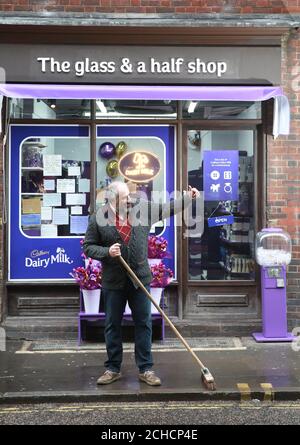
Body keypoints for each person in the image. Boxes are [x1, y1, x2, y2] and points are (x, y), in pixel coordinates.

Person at [83, 181, 200, 386]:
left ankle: (145, 369)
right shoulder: (98, 219)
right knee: (112, 325)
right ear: (112, 200)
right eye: (124, 198)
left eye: (129, 195)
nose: (129, 200)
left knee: (144, 323)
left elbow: (167, 209)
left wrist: (188, 197)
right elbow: (88, 247)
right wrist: (107, 252)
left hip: (140, 280)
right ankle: (112, 368)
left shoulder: (142, 211)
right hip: (114, 281)